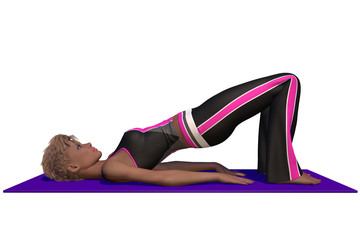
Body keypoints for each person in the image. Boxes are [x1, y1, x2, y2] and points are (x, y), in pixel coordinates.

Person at [42, 73, 321, 186]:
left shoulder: (114, 162)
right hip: (202, 125)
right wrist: (215, 179)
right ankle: (282, 173)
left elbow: (161, 168)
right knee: (287, 82)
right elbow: (165, 180)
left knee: (274, 94)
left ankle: (269, 168)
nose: (86, 143)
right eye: (77, 147)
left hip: (199, 122)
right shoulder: (112, 169)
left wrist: (212, 166)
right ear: (73, 168)